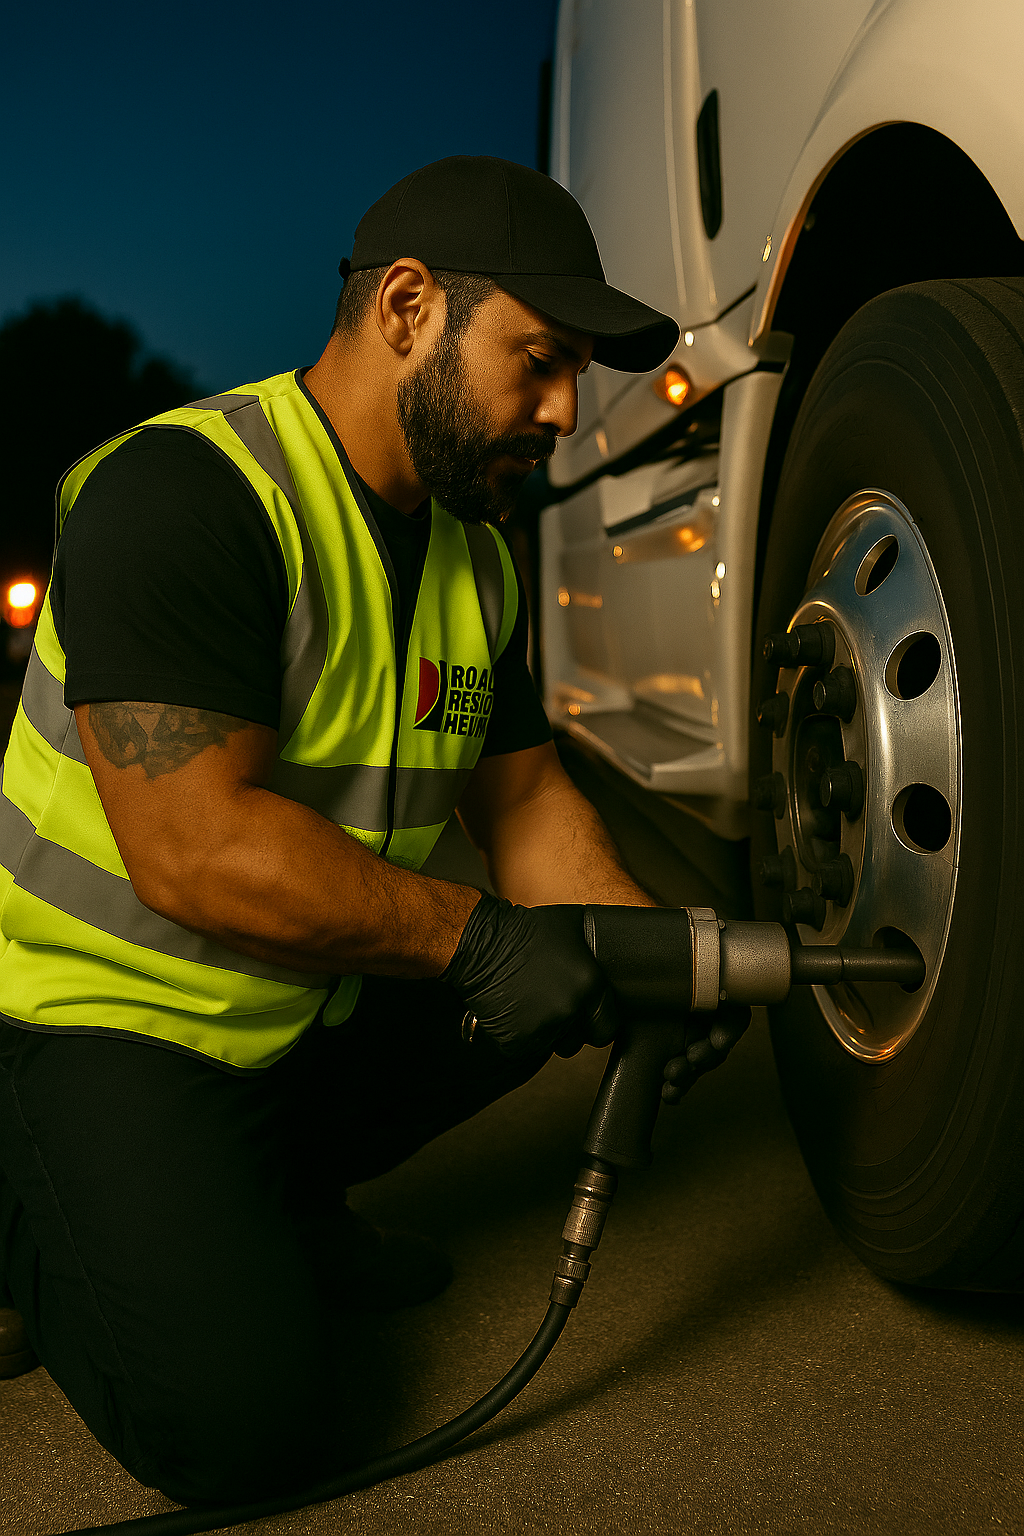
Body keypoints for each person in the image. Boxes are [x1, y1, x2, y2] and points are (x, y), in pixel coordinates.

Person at [0, 156, 748, 1504]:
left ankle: (266, 1209)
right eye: (541, 359)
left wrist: (665, 959)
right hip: (88, 1029)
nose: (570, 411)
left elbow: (523, 808)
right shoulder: (186, 494)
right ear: (408, 307)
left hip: (293, 1021)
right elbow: (191, 848)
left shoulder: (475, 553)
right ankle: (29, 1218)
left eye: (579, 371)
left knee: (568, 971)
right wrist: (485, 943)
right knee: (247, 1432)